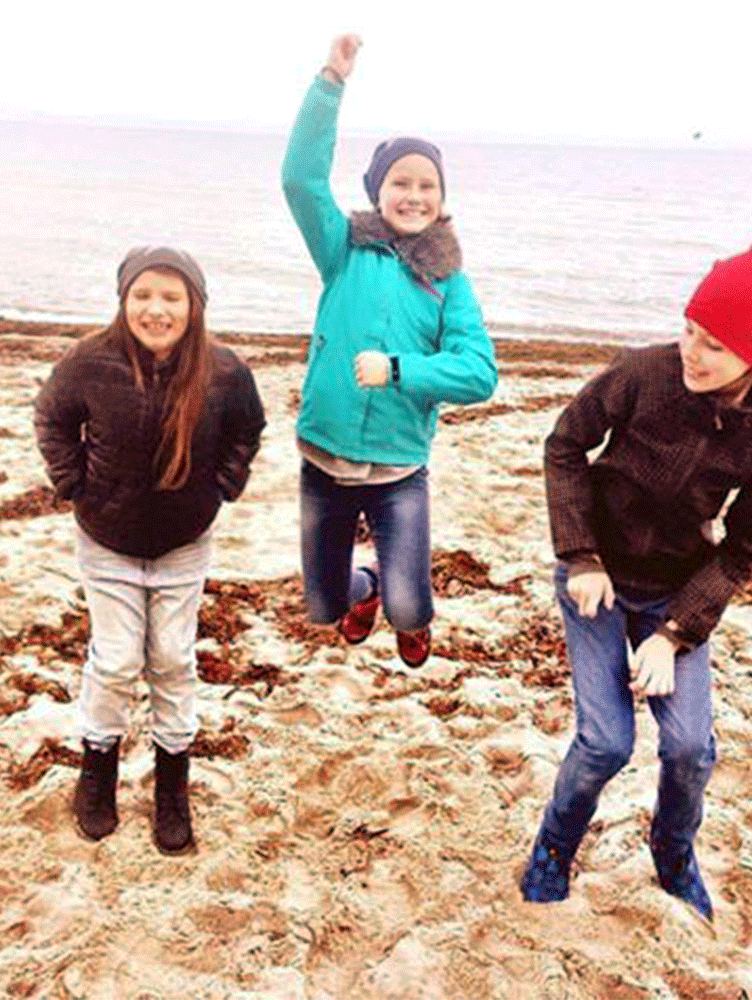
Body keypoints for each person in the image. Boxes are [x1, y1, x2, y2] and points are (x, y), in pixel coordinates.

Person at [522, 240, 752, 920]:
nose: (692, 352)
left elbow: (746, 547)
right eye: (688, 329)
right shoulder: (640, 374)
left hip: (675, 595)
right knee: (606, 742)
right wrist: (580, 555)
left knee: (688, 748)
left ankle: (674, 851)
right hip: (595, 578)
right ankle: (554, 848)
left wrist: (676, 632)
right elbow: (564, 446)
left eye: (714, 344)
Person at [34, 246, 265, 853]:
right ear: (123, 300)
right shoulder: (88, 360)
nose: (155, 310)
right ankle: (97, 772)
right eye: (142, 295)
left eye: (171, 297)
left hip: (184, 541)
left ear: (194, 305)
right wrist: (73, 483)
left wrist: (224, 484)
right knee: (114, 660)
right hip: (106, 538)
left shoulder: (225, 370)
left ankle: (172, 785)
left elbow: (247, 427)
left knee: (172, 658)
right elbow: (52, 418)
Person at [281, 34, 498, 668]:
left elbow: (479, 373)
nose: (414, 195)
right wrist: (330, 83)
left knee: (410, 609)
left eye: (428, 185)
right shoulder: (342, 249)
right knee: (324, 606)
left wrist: (400, 370)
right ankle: (366, 586)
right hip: (323, 458)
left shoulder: (448, 281)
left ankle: (399, 602)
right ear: (379, 191)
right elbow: (300, 179)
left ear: (442, 199)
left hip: (399, 469)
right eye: (401, 182)